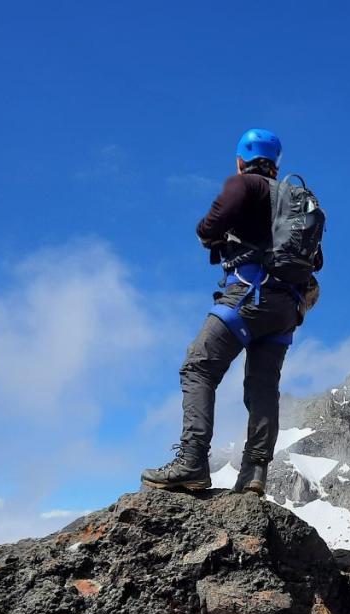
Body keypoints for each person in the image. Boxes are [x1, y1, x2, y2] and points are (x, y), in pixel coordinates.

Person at [141, 128, 317, 495]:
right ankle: (255, 473)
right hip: (287, 308)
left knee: (198, 365)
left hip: (247, 295)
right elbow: (316, 259)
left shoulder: (245, 185)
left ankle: (191, 462)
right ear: (276, 163)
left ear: (241, 160)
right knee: (263, 386)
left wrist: (213, 235)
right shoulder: (298, 200)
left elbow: (209, 226)